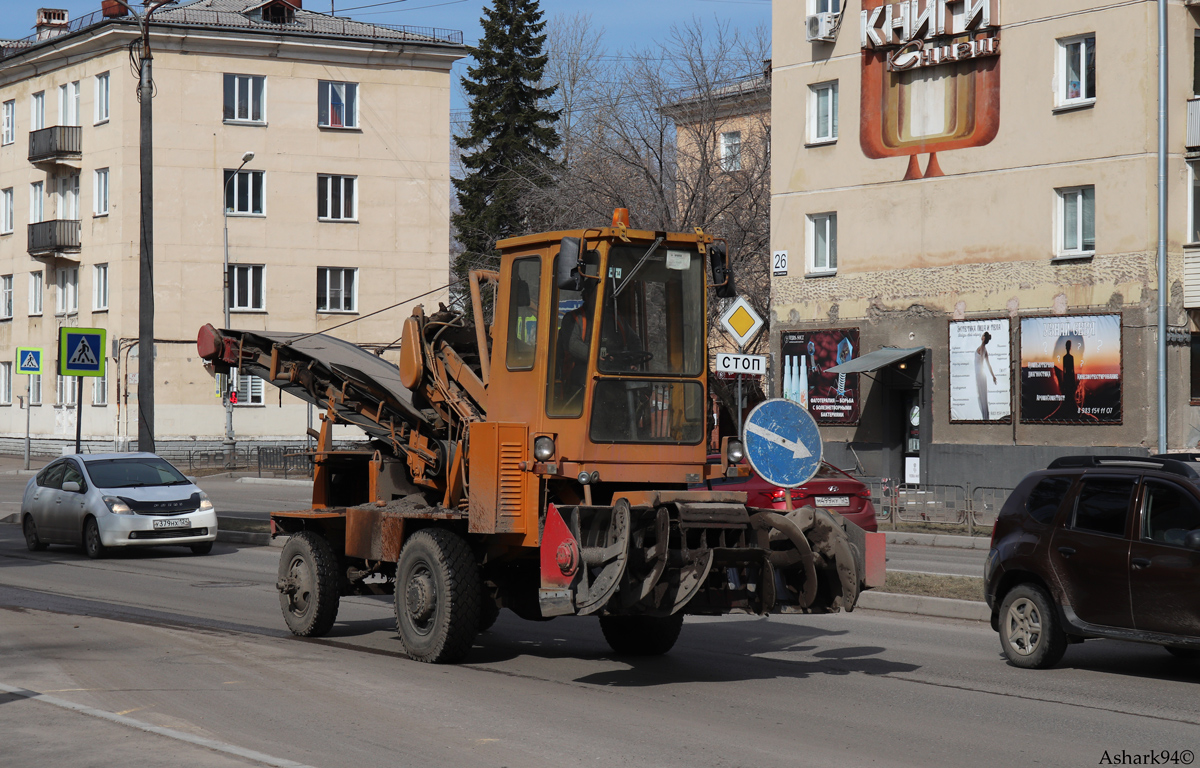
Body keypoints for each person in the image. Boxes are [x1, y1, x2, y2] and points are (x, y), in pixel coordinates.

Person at [974, 331, 997, 420]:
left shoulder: (982, 348)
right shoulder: (983, 348)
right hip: (980, 375)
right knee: (982, 397)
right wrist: (993, 376)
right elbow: (988, 364)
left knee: (982, 397)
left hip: (980, 375)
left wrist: (993, 376)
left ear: (983, 337)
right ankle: (985, 417)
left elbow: (984, 362)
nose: (981, 336)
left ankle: (985, 418)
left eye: (983, 335)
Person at [1058, 339, 1078, 418]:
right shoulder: (1068, 357)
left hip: (1068, 377)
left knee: (1069, 394)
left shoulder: (1067, 357)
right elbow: (1066, 370)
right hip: (1068, 377)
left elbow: (1068, 370)